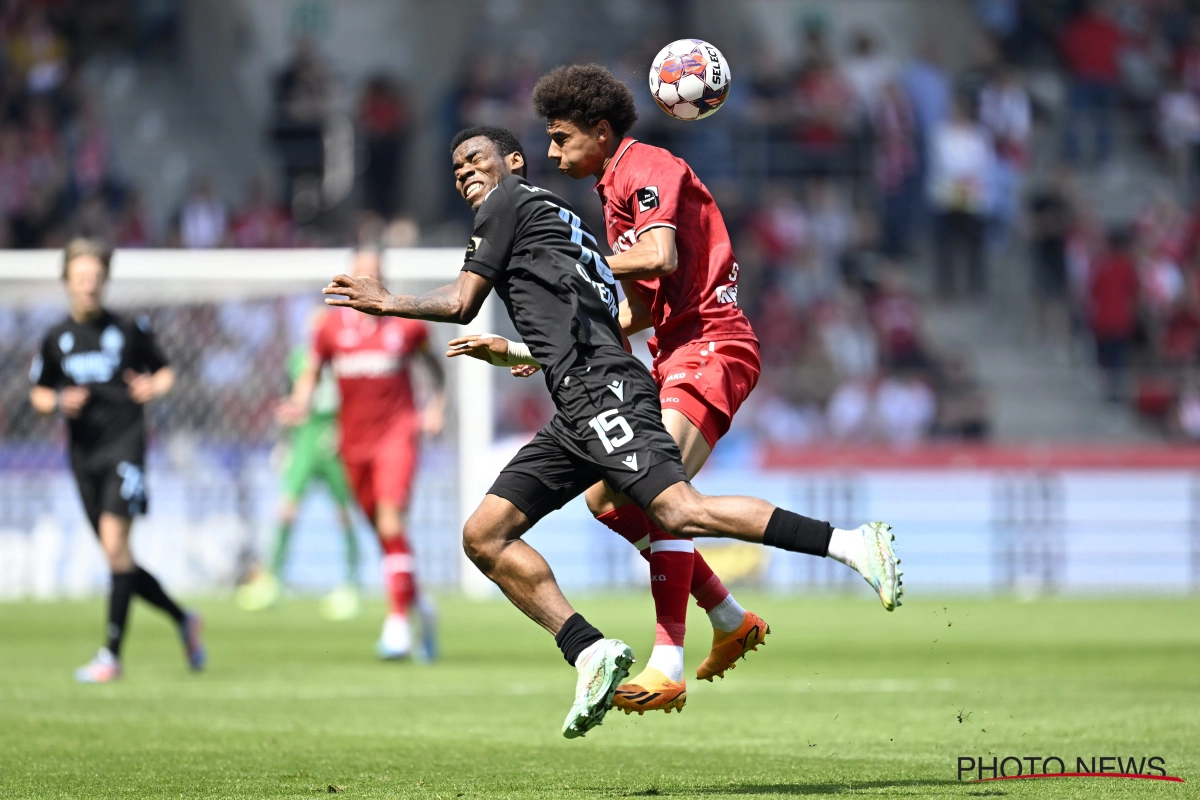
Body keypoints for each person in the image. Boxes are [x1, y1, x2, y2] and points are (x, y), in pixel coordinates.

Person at [321, 126, 902, 739]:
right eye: (456, 165)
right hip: (578, 403)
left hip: (604, 392)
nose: (464, 172)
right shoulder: (564, 222)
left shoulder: (507, 203)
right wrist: (524, 348)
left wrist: (386, 302)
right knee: (485, 535)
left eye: (476, 159)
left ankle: (848, 543)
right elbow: (594, 318)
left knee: (678, 510)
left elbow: (465, 301)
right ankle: (590, 650)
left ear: (512, 163)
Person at [523, 65, 895, 716]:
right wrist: (547, 345)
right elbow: (638, 307)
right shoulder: (614, 192)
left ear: (600, 131)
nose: (552, 153)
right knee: (604, 497)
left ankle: (840, 550)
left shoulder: (649, 167)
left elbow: (661, 255)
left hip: (712, 346)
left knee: (660, 497)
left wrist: (571, 263)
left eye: (560, 137)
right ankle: (727, 615)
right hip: (675, 352)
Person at [28, 238, 205, 683]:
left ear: (105, 281)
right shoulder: (56, 338)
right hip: (82, 455)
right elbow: (38, 392)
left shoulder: (128, 328)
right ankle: (184, 619)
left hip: (125, 448)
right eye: (80, 278)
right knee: (118, 556)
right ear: (67, 282)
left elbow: (165, 371)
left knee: (114, 546)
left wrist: (153, 388)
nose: (88, 286)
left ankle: (111, 655)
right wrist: (57, 402)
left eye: (95, 278)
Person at [279, 245, 444, 660]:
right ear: (348, 279)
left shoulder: (406, 324)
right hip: (352, 444)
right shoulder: (330, 329)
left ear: (382, 278)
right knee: (384, 533)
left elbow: (434, 370)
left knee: (390, 521)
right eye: (360, 273)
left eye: (374, 273)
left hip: (397, 435)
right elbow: (311, 374)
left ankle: (397, 626)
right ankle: (420, 605)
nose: (366, 280)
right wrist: (299, 403)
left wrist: (435, 407)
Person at [237, 312, 361, 620]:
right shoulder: (297, 360)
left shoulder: (344, 356)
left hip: (335, 439)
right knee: (286, 508)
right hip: (304, 440)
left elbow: (357, 398)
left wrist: (348, 430)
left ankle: (350, 585)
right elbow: (289, 400)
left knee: (343, 513)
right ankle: (271, 581)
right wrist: (284, 441)